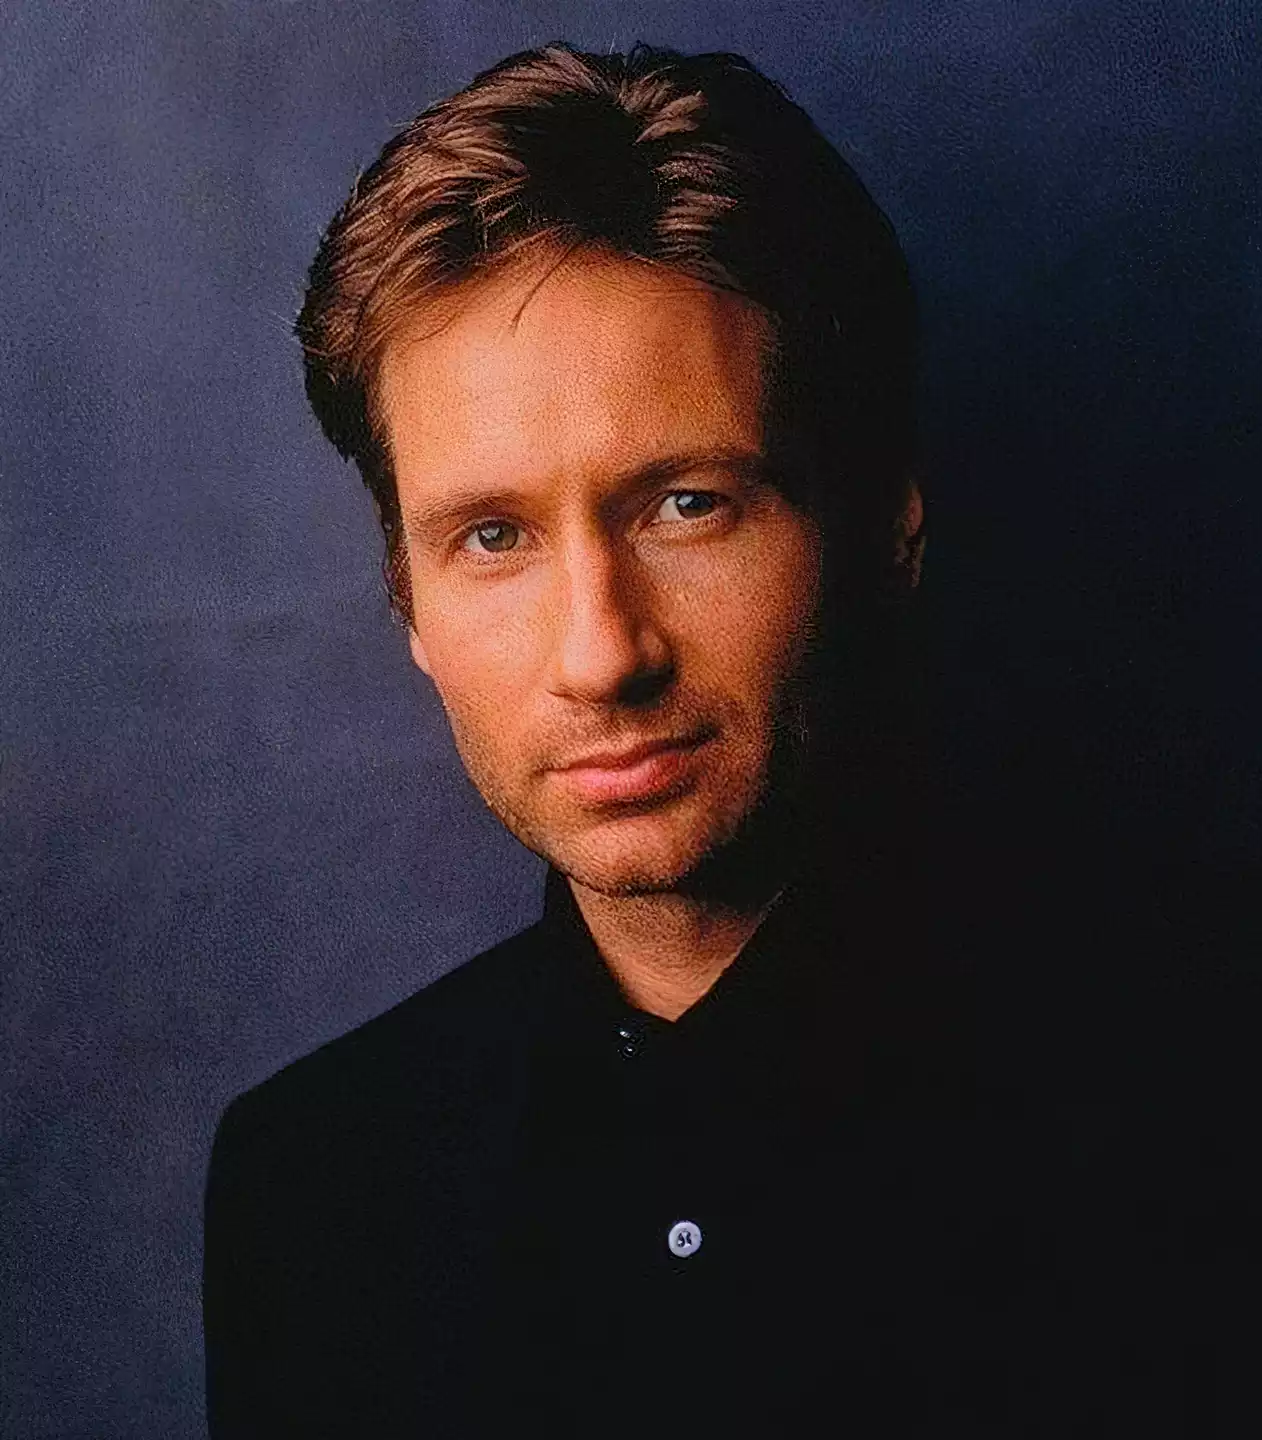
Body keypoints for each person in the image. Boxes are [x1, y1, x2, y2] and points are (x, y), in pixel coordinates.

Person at [202, 42, 1023, 1436]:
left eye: (688, 504)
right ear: (408, 602)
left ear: (887, 527)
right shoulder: (313, 1187)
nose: (602, 655)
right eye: (493, 537)